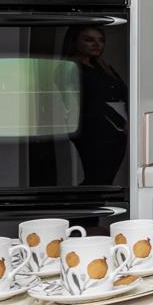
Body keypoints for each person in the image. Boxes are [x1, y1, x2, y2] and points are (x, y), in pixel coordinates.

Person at [62, 24, 128, 186]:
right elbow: (88, 102)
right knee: (97, 178)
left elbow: (123, 94)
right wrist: (123, 123)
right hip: (91, 131)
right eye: (89, 40)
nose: (97, 44)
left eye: (100, 40)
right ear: (74, 42)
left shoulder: (104, 67)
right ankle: (82, 208)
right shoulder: (70, 68)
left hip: (115, 133)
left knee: (106, 178)